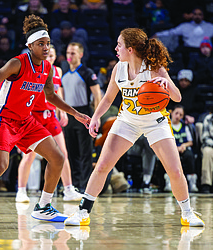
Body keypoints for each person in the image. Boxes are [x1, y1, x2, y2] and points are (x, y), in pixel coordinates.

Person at [0, 14, 90, 223]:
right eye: (41, 44)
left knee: (58, 157)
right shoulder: (16, 63)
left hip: (25, 120)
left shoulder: (47, 68)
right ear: (30, 45)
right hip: (1, 119)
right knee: (0, 166)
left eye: (48, 44)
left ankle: (43, 206)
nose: (46, 48)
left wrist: (75, 113)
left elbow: (51, 96)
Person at [64, 27, 205, 227]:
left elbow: (177, 97)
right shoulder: (118, 68)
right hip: (127, 121)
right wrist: (95, 117)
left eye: (119, 45)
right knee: (103, 165)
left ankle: (187, 213)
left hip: (155, 122)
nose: (115, 48)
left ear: (130, 49)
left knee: (174, 170)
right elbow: (108, 98)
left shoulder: (154, 68)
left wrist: (165, 83)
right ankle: (83, 212)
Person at [15, 44, 83, 203]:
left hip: (51, 116)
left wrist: (63, 111)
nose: (49, 58)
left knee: (63, 154)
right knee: (29, 156)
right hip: (34, 117)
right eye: (48, 56)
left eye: (52, 56)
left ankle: (68, 190)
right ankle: (21, 191)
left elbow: (58, 92)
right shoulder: (34, 71)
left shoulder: (57, 71)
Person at [61, 42, 101, 192]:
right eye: (68, 53)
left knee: (85, 152)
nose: (69, 56)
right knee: (71, 152)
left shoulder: (86, 72)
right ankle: (74, 184)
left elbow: (97, 95)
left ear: (80, 55)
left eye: (73, 53)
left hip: (84, 113)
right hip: (69, 113)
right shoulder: (63, 70)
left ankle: (85, 186)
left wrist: (97, 116)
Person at [169, 105, 198, 193]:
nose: (178, 116)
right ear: (171, 113)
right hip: (171, 149)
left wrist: (184, 145)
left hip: (183, 148)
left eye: (181, 115)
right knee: (167, 156)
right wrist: (175, 148)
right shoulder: (167, 126)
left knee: (189, 155)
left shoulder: (185, 126)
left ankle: (192, 182)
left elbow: (191, 142)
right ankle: (168, 181)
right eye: (176, 113)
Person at [200, 106, 213, 193]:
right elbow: (205, 137)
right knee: (207, 152)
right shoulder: (208, 119)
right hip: (210, 145)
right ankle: (206, 184)